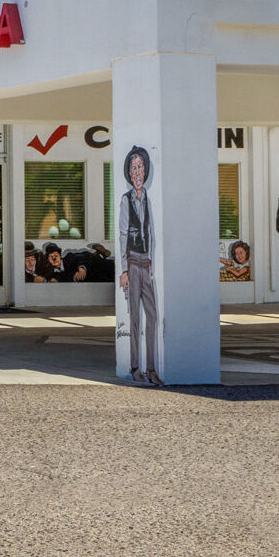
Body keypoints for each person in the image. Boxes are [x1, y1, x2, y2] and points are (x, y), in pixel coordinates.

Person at [118, 144, 161, 385]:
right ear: (129, 172)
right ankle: (136, 367)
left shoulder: (147, 198)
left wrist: (152, 260)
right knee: (134, 317)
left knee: (151, 315)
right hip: (133, 262)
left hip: (146, 263)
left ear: (145, 171)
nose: (137, 172)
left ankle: (152, 367)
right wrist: (124, 269)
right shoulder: (126, 200)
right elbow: (124, 233)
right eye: (133, 168)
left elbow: (151, 231)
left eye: (140, 167)